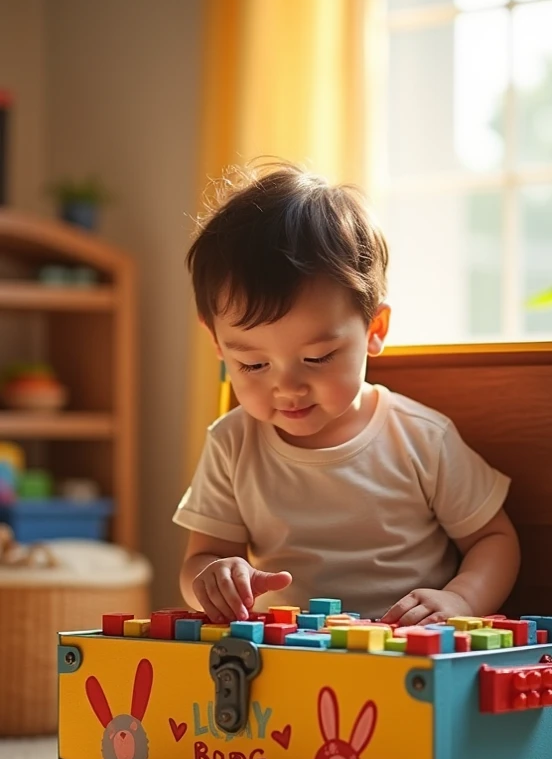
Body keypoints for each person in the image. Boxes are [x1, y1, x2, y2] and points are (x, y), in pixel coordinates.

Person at [174, 162, 520, 626]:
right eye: (253, 364)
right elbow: (200, 561)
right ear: (218, 344)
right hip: (288, 658)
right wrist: (215, 577)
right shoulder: (232, 443)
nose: (287, 387)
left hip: (407, 654)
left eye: (317, 358)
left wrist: (460, 599)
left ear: (374, 329)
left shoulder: (421, 437)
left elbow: (493, 540)